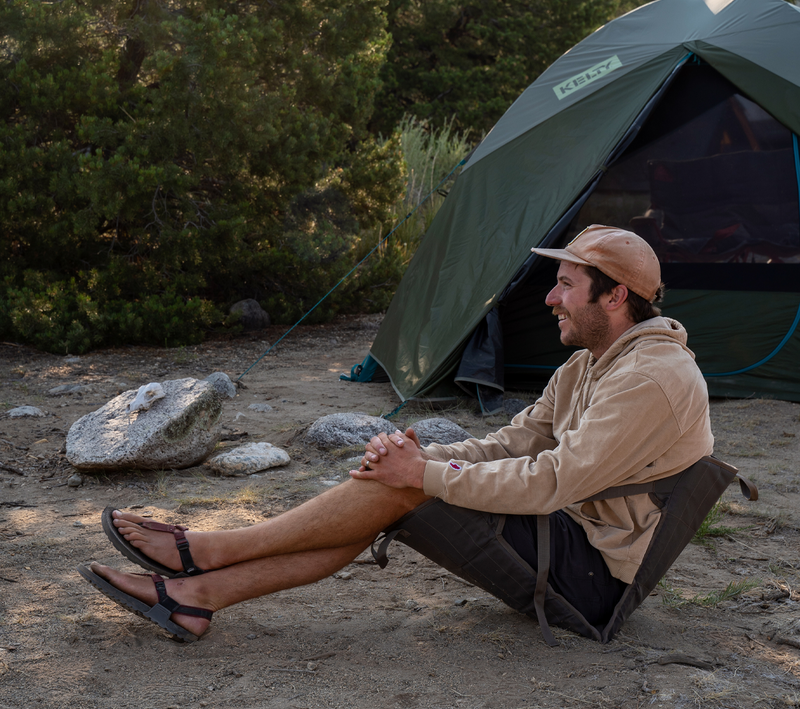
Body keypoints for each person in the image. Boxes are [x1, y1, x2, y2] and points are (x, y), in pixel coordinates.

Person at [79, 224, 713, 642]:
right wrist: (420, 457)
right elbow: (514, 443)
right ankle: (197, 593)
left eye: (566, 285)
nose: (550, 298)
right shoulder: (590, 364)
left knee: (406, 489)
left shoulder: (651, 378)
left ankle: (206, 556)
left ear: (615, 297)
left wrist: (424, 476)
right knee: (399, 482)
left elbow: (552, 480)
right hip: (567, 537)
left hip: (594, 582)